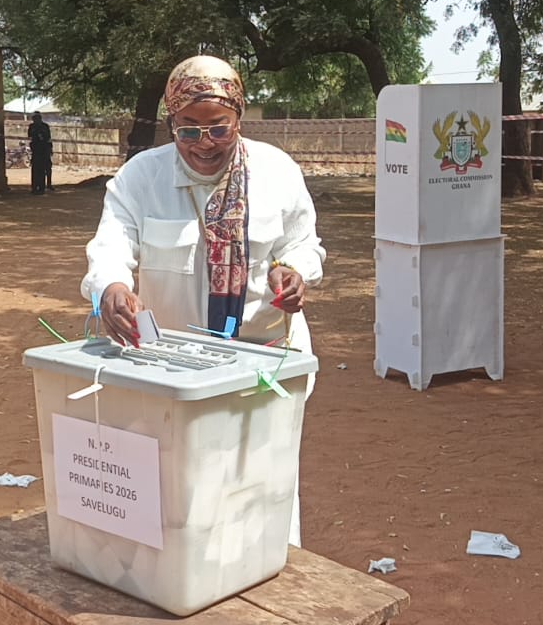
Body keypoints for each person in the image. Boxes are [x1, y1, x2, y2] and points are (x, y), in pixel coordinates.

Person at [81, 54, 325, 546]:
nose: (204, 144)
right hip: (172, 370)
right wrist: (111, 287)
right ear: (172, 122)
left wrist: (293, 271)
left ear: (238, 116)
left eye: (218, 128)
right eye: (188, 131)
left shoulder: (277, 172)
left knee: (262, 480)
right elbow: (110, 246)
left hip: (264, 366)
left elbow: (304, 244)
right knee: (175, 488)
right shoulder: (140, 178)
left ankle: (267, 574)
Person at [29, 111, 54, 194]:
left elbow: (48, 138)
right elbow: (30, 137)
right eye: (34, 118)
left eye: (37, 118)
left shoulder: (45, 127)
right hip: (36, 150)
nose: (35, 120)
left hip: (44, 150)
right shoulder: (32, 127)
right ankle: (34, 187)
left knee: (44, 169)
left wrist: (50, 149)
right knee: (35, 169)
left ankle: (42, 187)